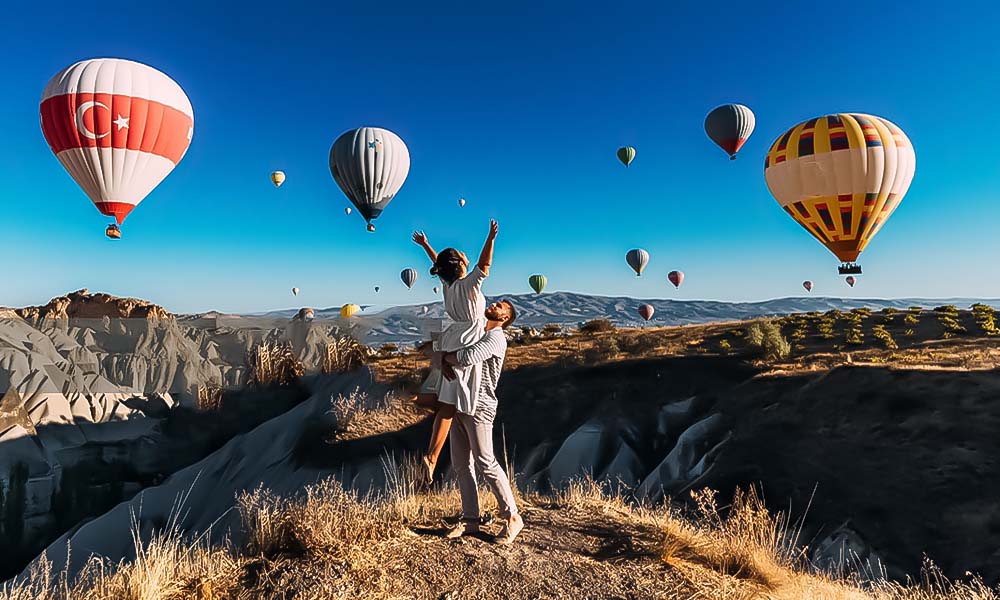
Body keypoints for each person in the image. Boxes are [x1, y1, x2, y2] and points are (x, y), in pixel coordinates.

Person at [411, 220, 498, 484]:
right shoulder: (469, 284)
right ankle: (461, 452)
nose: (464, 255)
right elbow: (484, 265)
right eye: (461, 255)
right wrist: (491, 237)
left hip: (451, 340)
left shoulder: (448, 285)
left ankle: (432, 456)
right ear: (460, 264)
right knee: (460, 402)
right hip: (467, 342)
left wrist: (426, 245)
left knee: (448, 403)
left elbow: (439, 263)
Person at [440, 299, 523, 544]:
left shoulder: (496, 338)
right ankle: (471, 519)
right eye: (497, 302)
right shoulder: (476, 333)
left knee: (485, 461)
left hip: (480, 406)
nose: (495, 304)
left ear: (505, 318)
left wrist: (445, 358)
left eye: (502, 306)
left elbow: (468, 356)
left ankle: (512, 516)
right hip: (460, 402)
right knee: (461, 463)